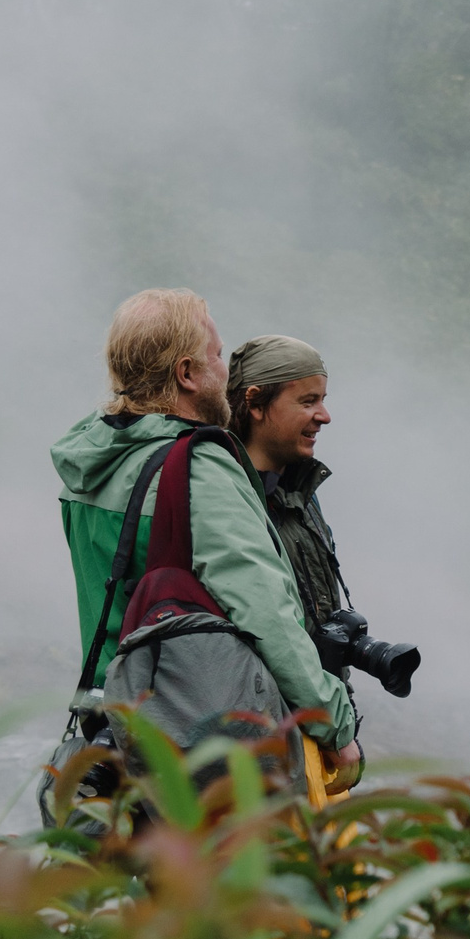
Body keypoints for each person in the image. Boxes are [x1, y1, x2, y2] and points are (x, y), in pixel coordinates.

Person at [49, 290, 360, 795]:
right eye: (217, 356)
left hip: (112, 727)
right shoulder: (197, 468)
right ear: (187, 374)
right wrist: (334, 723)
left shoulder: (88, 464)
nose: (226, 372)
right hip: (194, 736)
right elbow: (267, 615)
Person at [230, 333, 419, 717]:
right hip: (256, 725)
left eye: (323, 400)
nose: (324, 416)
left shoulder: (302, 490)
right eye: (308, 401)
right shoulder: (226, 497)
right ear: (255, 403)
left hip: (314, 718)